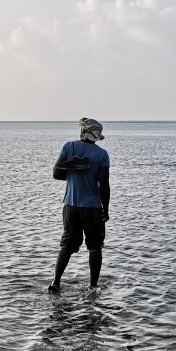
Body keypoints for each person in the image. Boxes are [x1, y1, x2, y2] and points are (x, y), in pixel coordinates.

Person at [48, 117, 111, 292]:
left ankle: (56, 282)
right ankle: (93, 287)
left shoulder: (69, 147)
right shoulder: (102, 154)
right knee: (94, 248)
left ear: (82, 131)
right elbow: (104, 185)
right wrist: (105, 209)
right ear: (97, 135)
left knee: (67, 244)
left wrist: (73, 172)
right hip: (92, 208)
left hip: (70, 206)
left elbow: (56, 174)